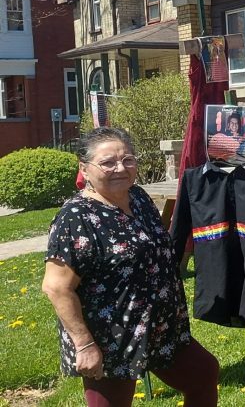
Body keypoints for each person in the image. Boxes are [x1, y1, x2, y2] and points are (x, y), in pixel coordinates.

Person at [41, 127, 219, 406]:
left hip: (160, 327)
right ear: (85, 169)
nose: (120, 169)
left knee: (203, 373)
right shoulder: (76, 217)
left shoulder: (138, 198)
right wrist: (85, 345)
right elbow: (56, 287)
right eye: (107, 162)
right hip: (111, 337)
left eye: (128, 160)